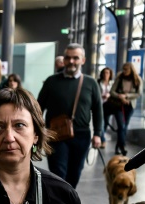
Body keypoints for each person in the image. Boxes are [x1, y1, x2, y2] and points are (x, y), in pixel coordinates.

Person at [37, 43, 103, 189]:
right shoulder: (51, 81)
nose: (71, 61)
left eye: (75, 58)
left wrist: (98, 134)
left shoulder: (90, 83)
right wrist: (35, 130)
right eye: (68, 57)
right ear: (64, 59)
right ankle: (60, 203)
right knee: (58, 172)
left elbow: (98, 110)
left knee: (75, 172)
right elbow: (38, 108)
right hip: (55, 135)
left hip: (81, 135)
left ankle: (67, 199)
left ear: (83, 60)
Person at [108, 62, 141, 156]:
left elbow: (138, 93)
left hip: (130, 106)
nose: (125, 71)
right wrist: (120, 97)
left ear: (131, 70)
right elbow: (112, 91)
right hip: (118, 105)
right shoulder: (119, 78)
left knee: (124, 126)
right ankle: (122, 147)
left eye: (126, 69)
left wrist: (126, 96)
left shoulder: (137, 80)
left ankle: (118, 146)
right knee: (121, 125)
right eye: (124, 69)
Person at [98, 67, 114, 149]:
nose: (106, 74)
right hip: (99, 105)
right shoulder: (98, 82)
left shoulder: (113, 83)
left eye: (107, 73)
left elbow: (114, 93)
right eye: (104, 73)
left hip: (108, 106)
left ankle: (101, 136)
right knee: (101, 122)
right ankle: (103, 140)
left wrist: (109, 95)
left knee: (106, 123)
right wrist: (101, 95)